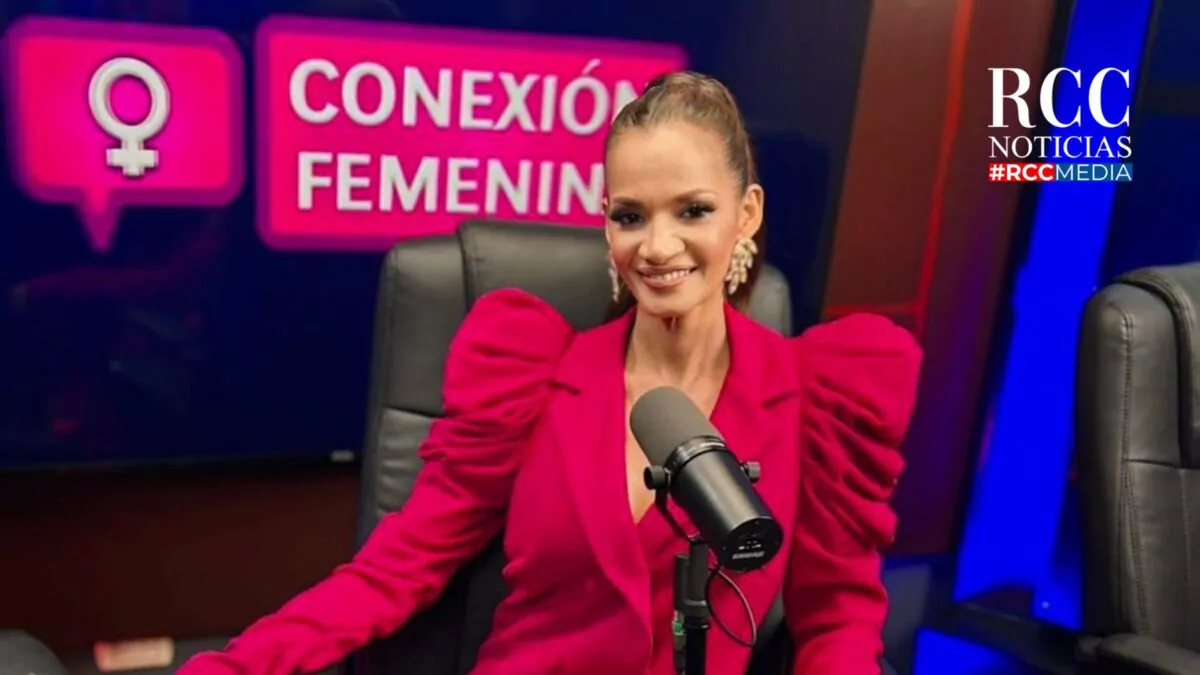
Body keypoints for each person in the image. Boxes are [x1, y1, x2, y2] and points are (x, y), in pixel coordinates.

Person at [178, 71, 922, 675]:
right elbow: (397, 569)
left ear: (746, 213)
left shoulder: (817, 399)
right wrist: (237, 667)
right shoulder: (531, 376)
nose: (657, 246)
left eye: (692, 211)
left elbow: (837, 620)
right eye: (630, 216)